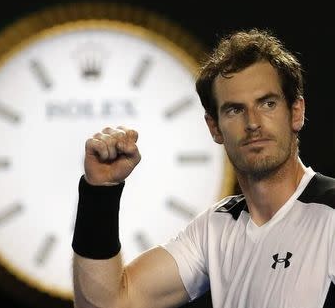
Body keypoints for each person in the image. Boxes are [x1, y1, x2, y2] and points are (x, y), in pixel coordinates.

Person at [71, 28, 335, 308]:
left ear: (296, 112)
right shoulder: (216, 227)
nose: (253, 122)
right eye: (235, 110)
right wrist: (99, 192)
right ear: (214, 128)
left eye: (267, 103)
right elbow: (108, 303)